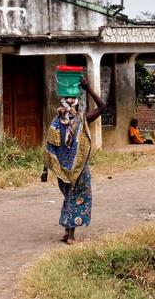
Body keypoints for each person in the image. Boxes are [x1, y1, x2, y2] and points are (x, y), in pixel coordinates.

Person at [44, 77, 106, 245]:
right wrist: (89, 88)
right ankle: (71, 236)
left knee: (69, 197)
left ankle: (66, 232)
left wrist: (45, 170)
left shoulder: (56, 123)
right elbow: (103, 107)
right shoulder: (82, 120)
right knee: (77, 198)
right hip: (78, 169)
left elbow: (49, 146)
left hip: (61, 171)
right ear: (77, 107)